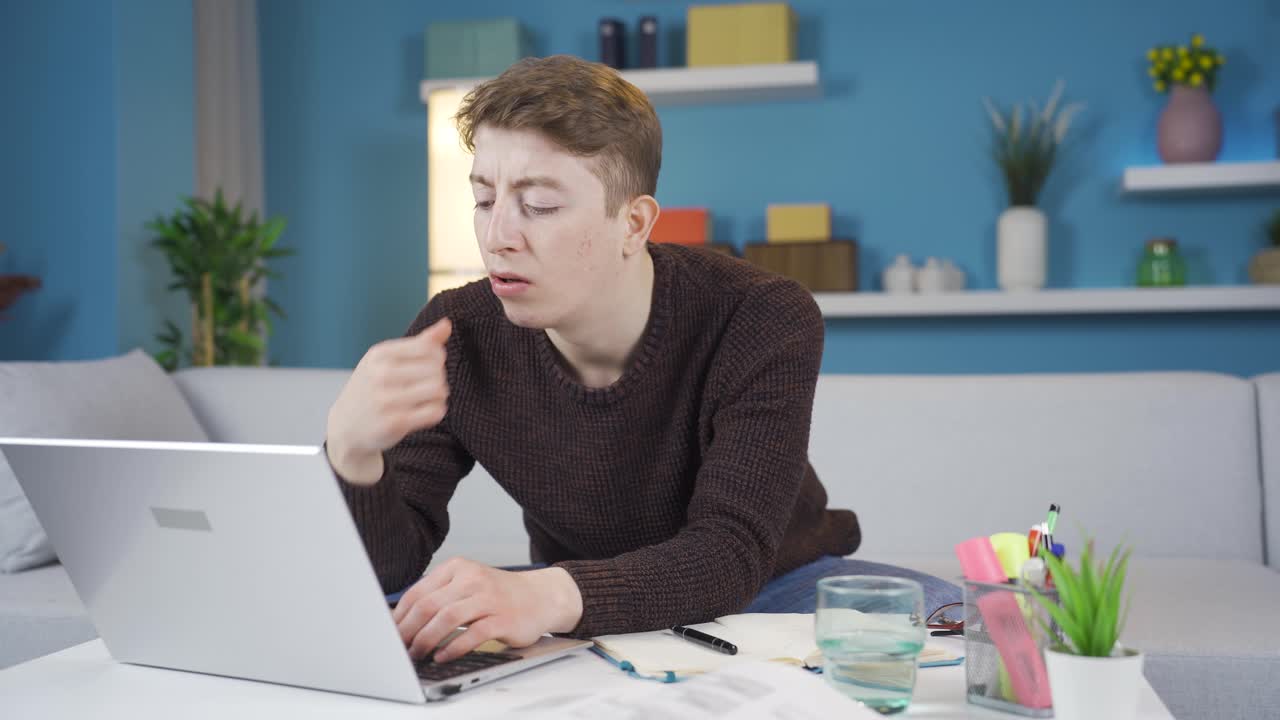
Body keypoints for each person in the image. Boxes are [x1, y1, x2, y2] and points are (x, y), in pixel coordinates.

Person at [324, 55, 959, 666]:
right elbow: (387, 571)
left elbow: (729, 553)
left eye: (538, 204)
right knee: (393, 619)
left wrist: (546, 596)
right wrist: (353, 456)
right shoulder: (457, 332)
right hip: (577, 594)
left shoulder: (761, 315)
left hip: (771, 585)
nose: (498, 237)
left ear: (634, 224)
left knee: (969, 626)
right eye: (485, 199)